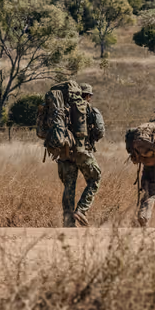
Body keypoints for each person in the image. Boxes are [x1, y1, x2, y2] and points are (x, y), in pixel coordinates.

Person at [58, 83, 105, 227]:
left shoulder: (63, 110)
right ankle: (82, 210)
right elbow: (100, 131)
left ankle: (68, 222)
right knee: (95, 178)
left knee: (69, 186)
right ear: (88, 96)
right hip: (82, 151)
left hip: (64, 152)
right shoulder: (91, 110)